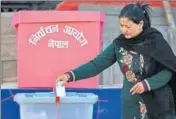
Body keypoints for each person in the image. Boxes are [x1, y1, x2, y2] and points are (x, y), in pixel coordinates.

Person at [56, 2, 176, 119]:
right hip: (131, 103)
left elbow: (169, 70)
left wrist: (147, 84)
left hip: (158, 103)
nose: (124, 30)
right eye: (121, 25)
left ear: (140, 24)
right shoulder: (119, 44)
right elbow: (96, 65)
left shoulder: (155, 41)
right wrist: (70, 75)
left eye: (128, 26)